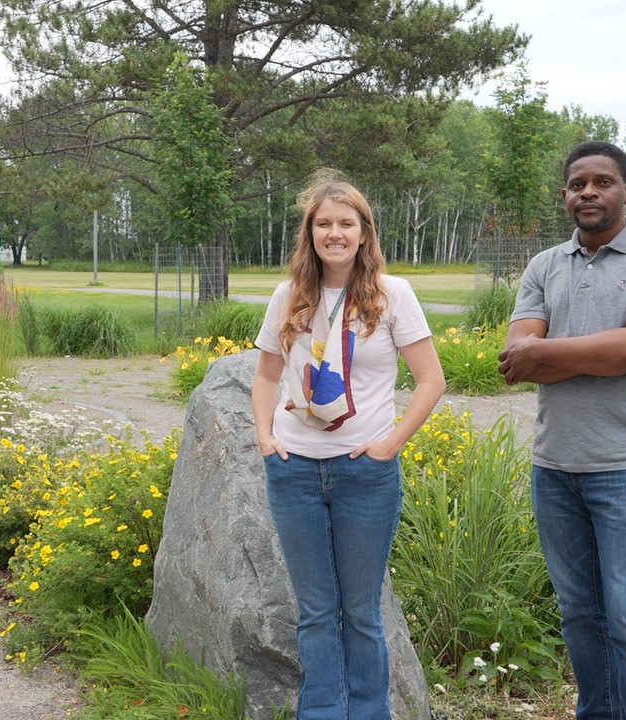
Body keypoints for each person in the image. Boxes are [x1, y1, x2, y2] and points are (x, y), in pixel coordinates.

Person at [498, 141, 626, 719]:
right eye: (578, 184)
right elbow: (514, 362)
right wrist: (615, 352)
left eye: (602, 182)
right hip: (554, 465)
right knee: (580, 613)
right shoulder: (543, 266)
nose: (589, 192)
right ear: (566, 195)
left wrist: (552, 353)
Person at [252, 171, 445, 720]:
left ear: (364, 233)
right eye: (323, 223)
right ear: (310, 232)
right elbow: (266, 377)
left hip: (365, 473)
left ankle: (367, 712)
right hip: (294, 473)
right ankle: (321, 713)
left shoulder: (391, 295)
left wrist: (390, 444)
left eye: (346, 223)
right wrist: (265, 438)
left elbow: (431, 380)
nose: (334, 233)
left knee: (361, 612)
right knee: (314, 612)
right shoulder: (289, 297)